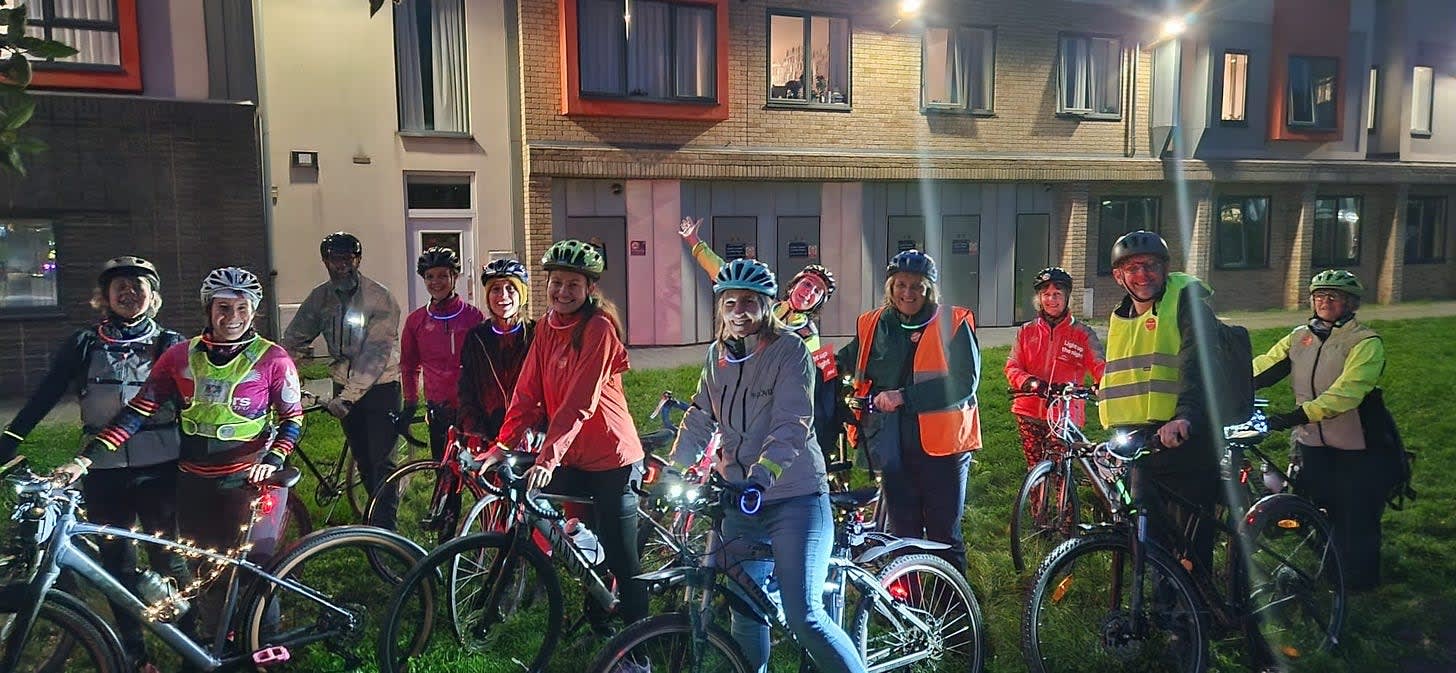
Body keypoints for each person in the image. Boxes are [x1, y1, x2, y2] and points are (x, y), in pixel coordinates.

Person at [57, 267, 303, 640]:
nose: (232, 318)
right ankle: (217, 638)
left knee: (252, 567)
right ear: (208, 308)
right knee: (202, 564)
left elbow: (292, 419)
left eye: (242, 308)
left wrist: (273, 460)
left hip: (248, 481)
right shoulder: (179, 356)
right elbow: (139, 410)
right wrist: (86, 458)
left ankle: (264, 641)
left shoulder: (273, 359)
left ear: (254, 311)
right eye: (223, 307)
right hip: (193, 481)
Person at [669, 258, 864, 673]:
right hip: (740, 497)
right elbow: (702, 414)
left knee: (804, 615)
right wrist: (674, 468)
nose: (739, 312)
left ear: (767, 306)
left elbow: (792, 423)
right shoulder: (716, 357)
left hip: (795, 496)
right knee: (745, 610)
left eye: (750, 303)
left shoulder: (790, 350)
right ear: (720, 307)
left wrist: (762, 476)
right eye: (730, 302)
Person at [2, 256, 187, 673]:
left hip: (160, 467)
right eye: (119, 285)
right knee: (116, 559)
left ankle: (191, 639)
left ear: (153, 296)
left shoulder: (171, 343)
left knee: (167, 558)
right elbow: (47, 392)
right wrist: (10, 439)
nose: (129, 292)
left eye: (138, 285)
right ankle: (135, 654)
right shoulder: (85, 343)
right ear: (104, 297)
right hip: (101, 471)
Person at [482, 239, 647, 626]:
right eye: (557, 282)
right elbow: (527, 391)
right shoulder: (545, 327)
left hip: (612, 461)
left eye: (573, 284)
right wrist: (503, 445)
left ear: (590, 288)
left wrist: (548, 457)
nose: (562, 291)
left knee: (622, 558)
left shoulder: (599, 328)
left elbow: (579, 402)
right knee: (581, 541)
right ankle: (599, 612)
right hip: (572, 455)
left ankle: (639, 643)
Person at [837, 249, 981, 571]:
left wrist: (904, 397)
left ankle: (953, 603)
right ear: (890, 286)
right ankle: (908, 602)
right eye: (900, 284)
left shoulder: (952, 322)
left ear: (929, 289)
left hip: (943, 446)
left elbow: (963, 383)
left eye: (917, 286)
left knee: (944, 532)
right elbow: (844, 362)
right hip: (891, 444)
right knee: (902, 531)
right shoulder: (874, 324)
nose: (908, 293)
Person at [1253, 269, 1392, 591]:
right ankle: (1332, 573)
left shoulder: (1364, 341)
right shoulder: (1300, 337)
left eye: (1334, 297)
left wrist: (1296, 415)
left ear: (1351, 303)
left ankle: (1360, 583)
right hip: (1312, 441)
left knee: (1357, 514)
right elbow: (1264, 367)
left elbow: (1348, 392)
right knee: (1322, 508)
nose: (1325, 302)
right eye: (1319, 297)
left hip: (1357, 443)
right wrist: (1229, 381)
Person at [1098, 230, 1222, 573]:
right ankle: (1164, 608)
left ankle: (1193, 621)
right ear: (1118, 276)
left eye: (1150, 265)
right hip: (1142, 443)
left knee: (1190, 544)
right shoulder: (1121, 316)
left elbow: (1198, 364)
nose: (1142, 276)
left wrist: (1185, 416)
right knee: (1149, 538)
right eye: (1131, 268)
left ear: (1165, 267)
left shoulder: (1187, 302)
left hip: (1185, 438)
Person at [678, 216, 844, 457]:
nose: (809, 293)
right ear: (794, 285)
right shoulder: (765, 306)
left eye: (817, 292)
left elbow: (804, 380)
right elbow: (723, 272)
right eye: (807, 285)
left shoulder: (808, 334)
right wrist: (694, 240)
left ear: (819, 302)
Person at [281, 231, 402, 527]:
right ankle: (369, 516)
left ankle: (385, 530)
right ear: (325, 261)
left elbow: (375, 354)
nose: (342, 265)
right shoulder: (320, 298)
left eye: (348, 258)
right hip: (343, 383)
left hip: (380, 385)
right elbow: (294, 336)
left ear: (358, 260)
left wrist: (349, 396)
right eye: (335, 259)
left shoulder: (379, 297)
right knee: (362, 458)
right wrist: (282, 366)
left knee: (381, 462)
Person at [1005, 266, 1106, 468]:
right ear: (1039, 299)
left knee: (1061, 469)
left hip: (1065, 412)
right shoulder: (1027, 331)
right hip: (1029, 410)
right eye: (1046, 294)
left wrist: (1102, 384)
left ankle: (1065, 500)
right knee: (1035, 467)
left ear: (1067, 297)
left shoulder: (1082, 334)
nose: (1052, 300)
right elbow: (1012, 366)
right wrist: (1029, 381)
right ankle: (1036, 500)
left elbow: (1100, 366)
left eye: (1057, 294)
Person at [399, 247, 484, 460]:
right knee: (444, 470)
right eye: (429, 276)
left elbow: (486, 363)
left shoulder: (473, 316)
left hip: (470, 405)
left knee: (478, 471)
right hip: (438, 407)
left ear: (454, 277)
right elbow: (409, 365)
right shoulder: (416, 321)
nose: (435, 282)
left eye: (443, 275)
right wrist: (410, 402)